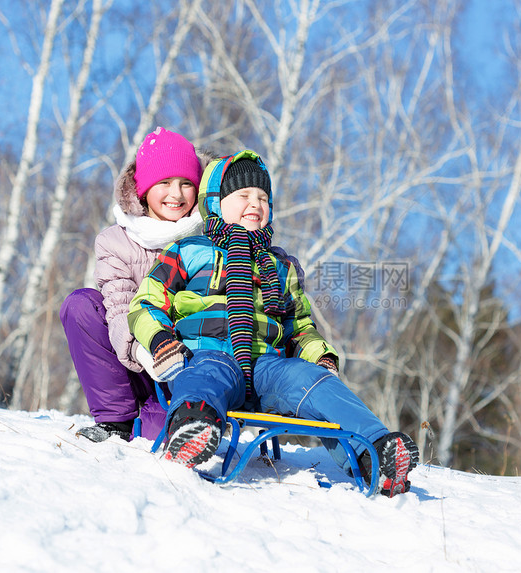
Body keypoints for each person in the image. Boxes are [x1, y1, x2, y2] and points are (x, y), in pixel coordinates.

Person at [127, 150, 419, 497]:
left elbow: (300, 326)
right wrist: (160, 340)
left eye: (263, 197)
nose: (256, 203)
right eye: (244, 195)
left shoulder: (280, 266)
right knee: (203, 376)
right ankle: (193, 426)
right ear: (216, 202)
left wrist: (319, 357)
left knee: (311, 381)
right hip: (209, 354)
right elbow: (145, 303)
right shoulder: (188, 250)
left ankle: (377, 452)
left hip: (267, 365)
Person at [60, 127, 214, 442]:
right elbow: (118, 307)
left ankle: (180, 414)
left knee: (158, 434)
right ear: (142, 189)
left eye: (186, 183)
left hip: (190, 366)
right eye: (164, 183)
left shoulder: (210, 240)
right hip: (139, 356)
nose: (176, 194)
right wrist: (144, 349)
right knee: (82, 305)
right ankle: (116, 419)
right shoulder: (116, 241)